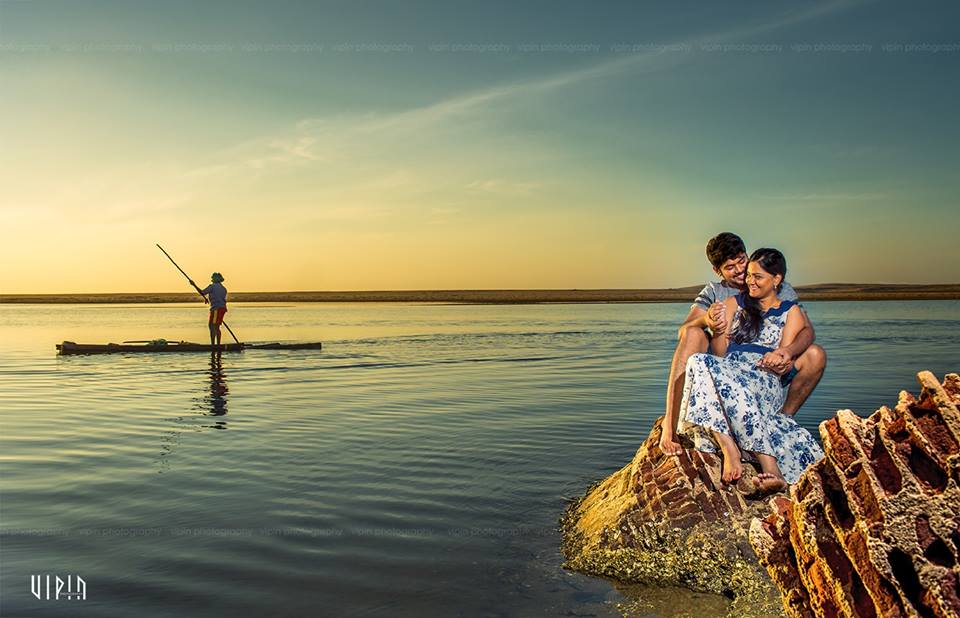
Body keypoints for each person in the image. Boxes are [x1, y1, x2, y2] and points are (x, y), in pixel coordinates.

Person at [659, 233, 826, 456]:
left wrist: (788, 352)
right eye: (730, 267)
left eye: (742, 261)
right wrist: (706, 319)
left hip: (770, 367)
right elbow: (684, 330)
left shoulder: (778, 287)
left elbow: (807, 330)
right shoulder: (715, 292)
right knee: (693, 334)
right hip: (726, 365)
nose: (740, 270)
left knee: (815, 354)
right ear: (717, 271)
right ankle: (669, 427)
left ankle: (782, 420)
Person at [199, 272, 227, 348]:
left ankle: (213, 345)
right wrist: (207, 299)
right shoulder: (223, 288)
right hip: (222, 308)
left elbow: (202, 292)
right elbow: (216, 296)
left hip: (216, 309)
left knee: (212, 326)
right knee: (216, 327)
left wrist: (193, 284)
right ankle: (217, 344)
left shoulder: (212, 286)